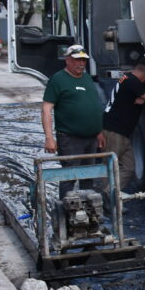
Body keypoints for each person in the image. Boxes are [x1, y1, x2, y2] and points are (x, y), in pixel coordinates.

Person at [41, 44, 104, 196]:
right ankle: (66, 211)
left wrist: (99, 131)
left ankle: (88, 210)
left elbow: (94, 106)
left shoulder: (87, 78)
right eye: (77, 60)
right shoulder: (58, 80)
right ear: (67, 60)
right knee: (69, 176)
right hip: (70, 138)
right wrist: (49, 137)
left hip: (91, 138)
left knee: (89, 176)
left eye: (83, 60)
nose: (81, 63)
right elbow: (46, 109)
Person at [102, 58, 145, 191]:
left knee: (129, 168)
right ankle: (107, 199)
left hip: (121, 132)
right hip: (115, 131)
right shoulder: (132, 82)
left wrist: (142, 97)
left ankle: (111, 195)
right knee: (109, 167)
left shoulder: (127, 78)